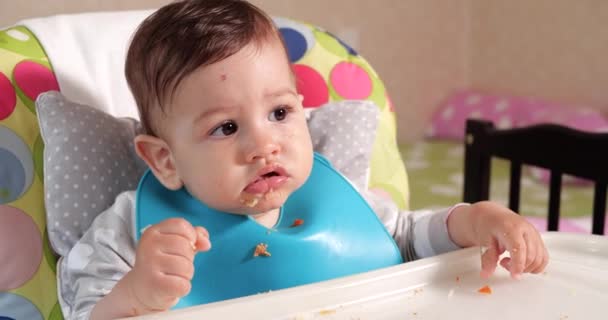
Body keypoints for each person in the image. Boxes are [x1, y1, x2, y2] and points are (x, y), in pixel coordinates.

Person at [57, 0, 549, 319]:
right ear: (164, 160)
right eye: (226, 128)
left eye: (279, 112)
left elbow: (406, 238)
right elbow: (85, 310)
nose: (264, 145)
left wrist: (478, 219)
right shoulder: (135, 230)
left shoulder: (337, 195)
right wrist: (136, 297)